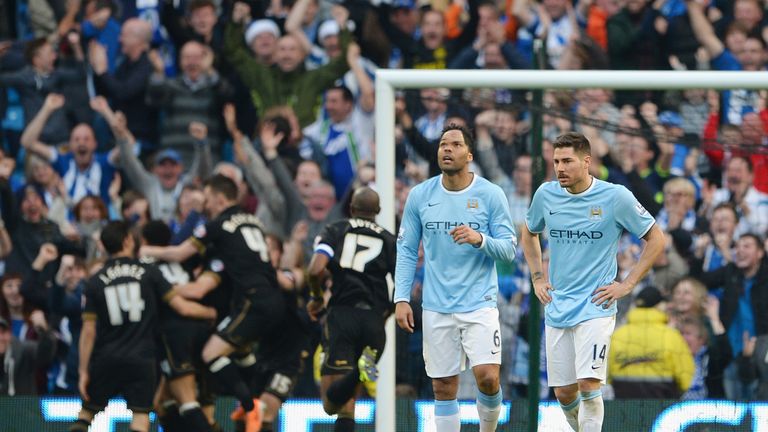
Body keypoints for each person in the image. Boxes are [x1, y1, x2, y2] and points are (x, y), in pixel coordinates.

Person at [519, 132, 665, 431]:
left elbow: (656, 238)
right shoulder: (546, 195)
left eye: (567, 161)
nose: (559, 167)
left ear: (587, 162)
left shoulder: (615, 196)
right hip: (558, 303)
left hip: (596, 304)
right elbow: (529, 232)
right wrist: (537, 277)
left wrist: (627, 284)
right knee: (564, 393)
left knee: (589, 383)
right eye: (556, 161)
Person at [138, 175, 286, 432]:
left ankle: (252, 405)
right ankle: (254, 396)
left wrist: (147, 252)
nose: (204, 205)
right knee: (240, 352)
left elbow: (181, 252)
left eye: (206, 199)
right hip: (271, 298)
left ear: (219, 198)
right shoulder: (254, 222)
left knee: (210, 355)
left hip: (251, 300)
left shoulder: (218, 226)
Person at [394, 124, 517, 432]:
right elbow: (407, 250)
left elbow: (509, 249)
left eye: (455, 144)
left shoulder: (490, 194)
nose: (447, 149)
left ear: (469, 154)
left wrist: (480, 239)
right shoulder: (420, 195)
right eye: (442, 144)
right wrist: (401, 298)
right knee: (443, 387)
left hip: (480, 303)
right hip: (436, 305)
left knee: (488, 378)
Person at [69, 221, 216, 432]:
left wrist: (83, 371)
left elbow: (88, 331)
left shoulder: (95, 281)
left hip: (106, 358)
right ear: (128, 240)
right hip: (142, 358)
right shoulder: (149, 273)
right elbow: (182, 307)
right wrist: (210, 312)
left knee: (86, 415)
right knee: (140, 419)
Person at [306, 186, 396, 432]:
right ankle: (362, 370)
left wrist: (315, 297)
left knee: (331, 405)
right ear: (377, 212)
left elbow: (315, 269)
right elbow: (404, 285)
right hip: (374, 322)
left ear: (351, 209)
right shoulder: (390, 239)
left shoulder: (336, 229)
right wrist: (387, 313)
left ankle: (358, 373)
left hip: (342, 316)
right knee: (348, 407)